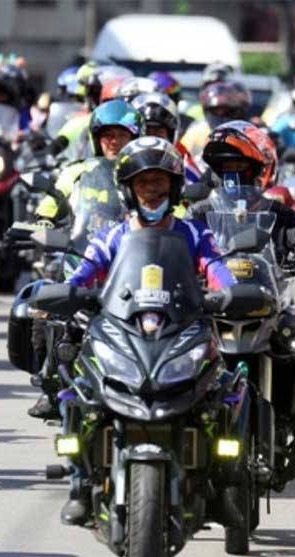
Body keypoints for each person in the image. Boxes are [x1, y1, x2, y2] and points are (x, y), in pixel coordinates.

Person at [57, 136, 236, 524]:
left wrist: (232, 295)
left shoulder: (194, 234)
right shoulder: (112, 236)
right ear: (128, 190)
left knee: (225, 393)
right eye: (143, 183)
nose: (152, 192)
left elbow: (217, 271)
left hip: (181, 330)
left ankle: (222, 486)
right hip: (123, 330)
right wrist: (67, 293)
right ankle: (78, 482)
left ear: (173, 189)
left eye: (160, 183)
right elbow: (84, 274)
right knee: (77, 390)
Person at [190, 121, 295, 528]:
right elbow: (171, 248)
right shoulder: (196, 217)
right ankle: (170, 484)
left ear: (262, 171)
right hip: (213, 314)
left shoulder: (278, 214)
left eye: (242, 170)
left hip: (268, 312)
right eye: (224, 169)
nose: (234, 178)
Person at [25, 99, 143, 417]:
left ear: (136, 137)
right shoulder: (77, 172)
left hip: (139, 264)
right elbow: (50, 207)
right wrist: (41, 225)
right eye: (107, 134)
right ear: (95, 137)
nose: (114, 141)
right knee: (43, 310)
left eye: (121, 134)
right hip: (86, 259)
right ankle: (51, 386)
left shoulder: (149, 172)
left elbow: (179, 213)